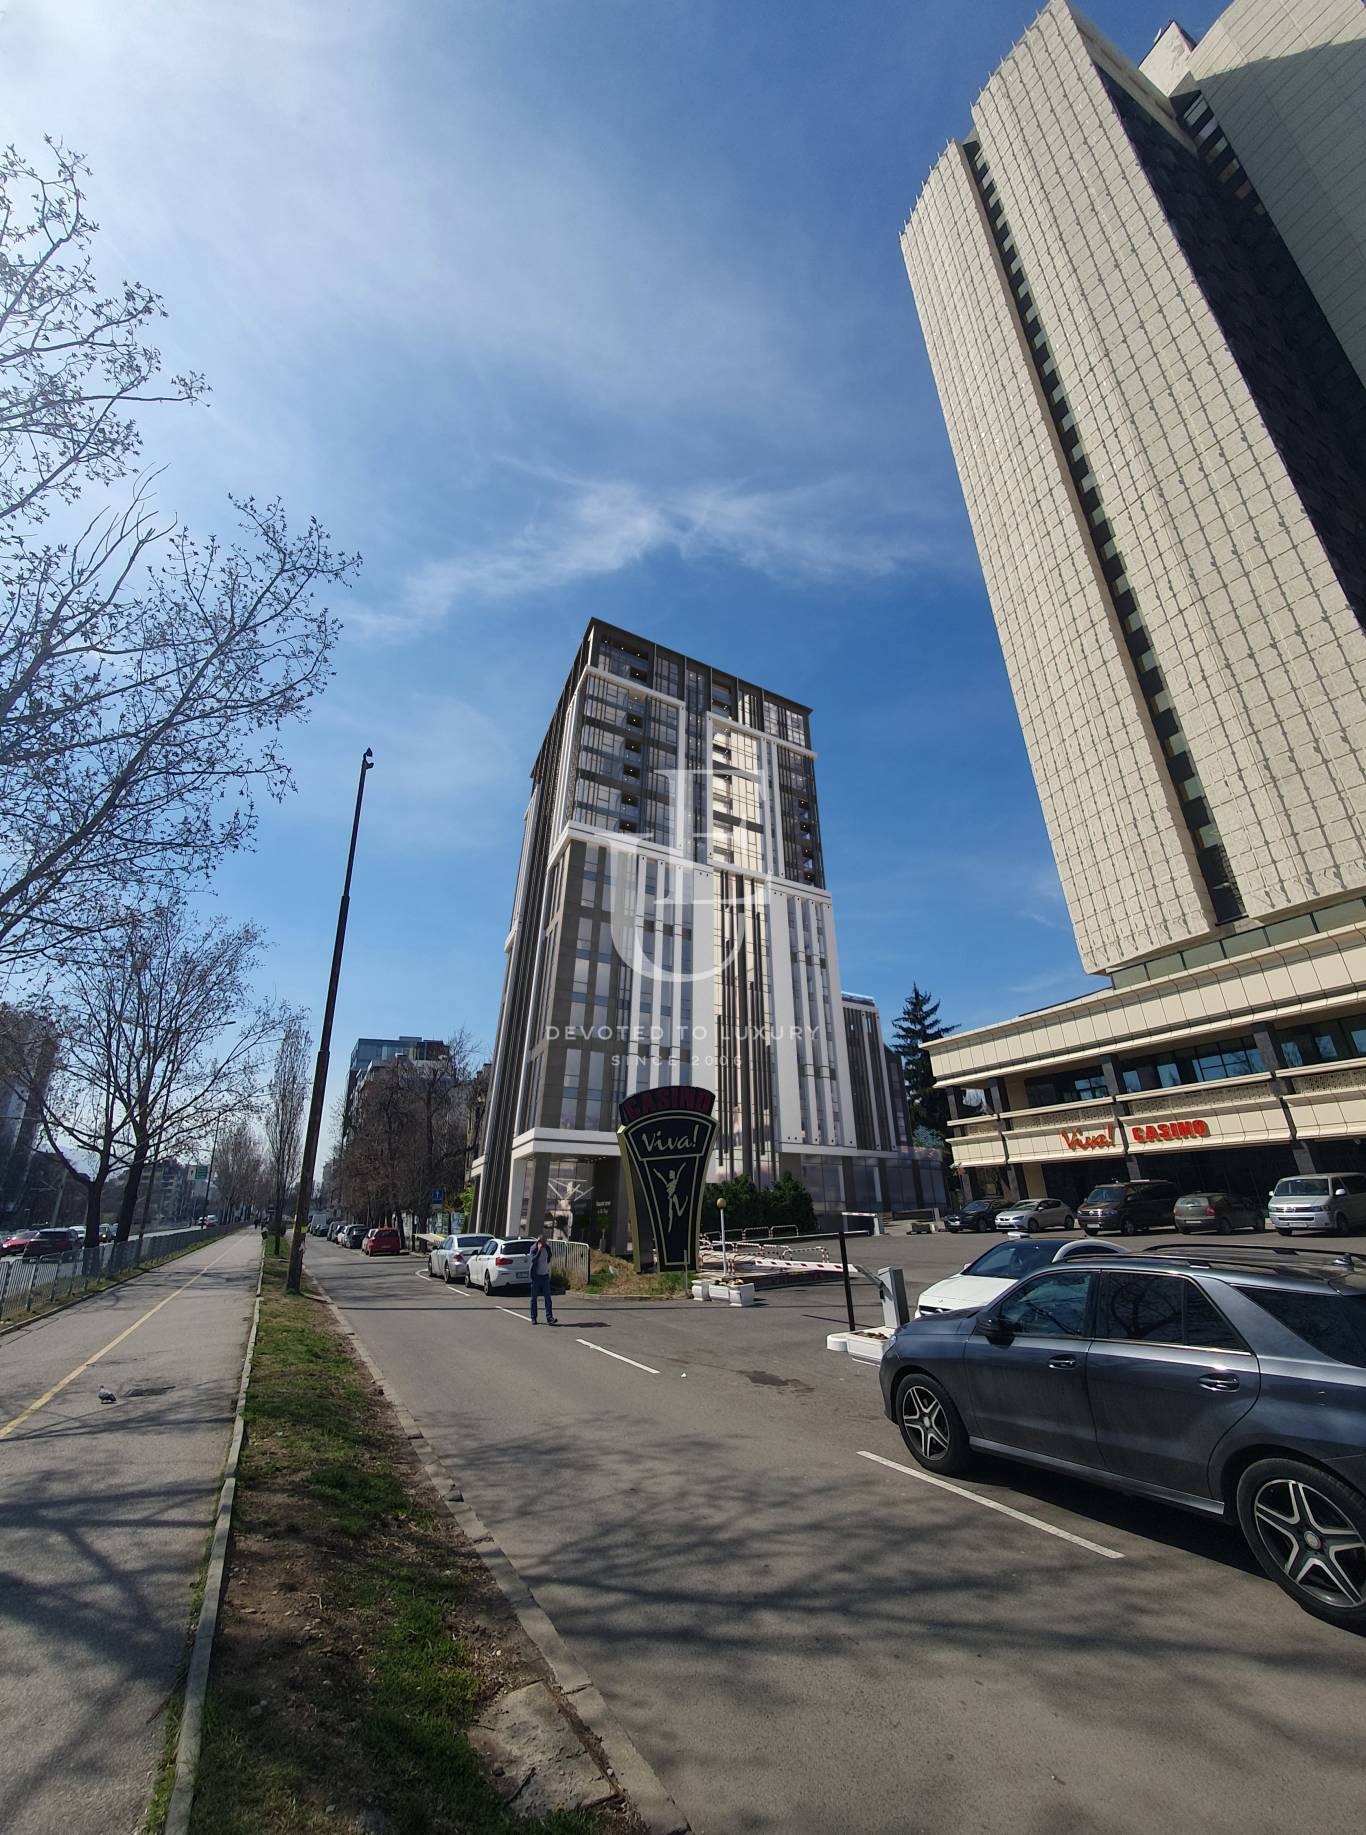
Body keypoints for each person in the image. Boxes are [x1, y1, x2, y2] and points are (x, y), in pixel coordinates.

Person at [528, 1231, 556, 1325]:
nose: (544, 1243)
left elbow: (549, 1257)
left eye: (545, 1241)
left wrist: (545, 1268)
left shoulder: (547, 1248)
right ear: (539, 1241)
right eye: (542, 1241)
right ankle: (533, 1318)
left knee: (548, 1298)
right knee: (534, 1298)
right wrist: (539, 1251)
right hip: (536, 1277)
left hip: (545, 1276)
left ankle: (549, 1318)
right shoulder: (534, 1248)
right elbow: (533, 1260)